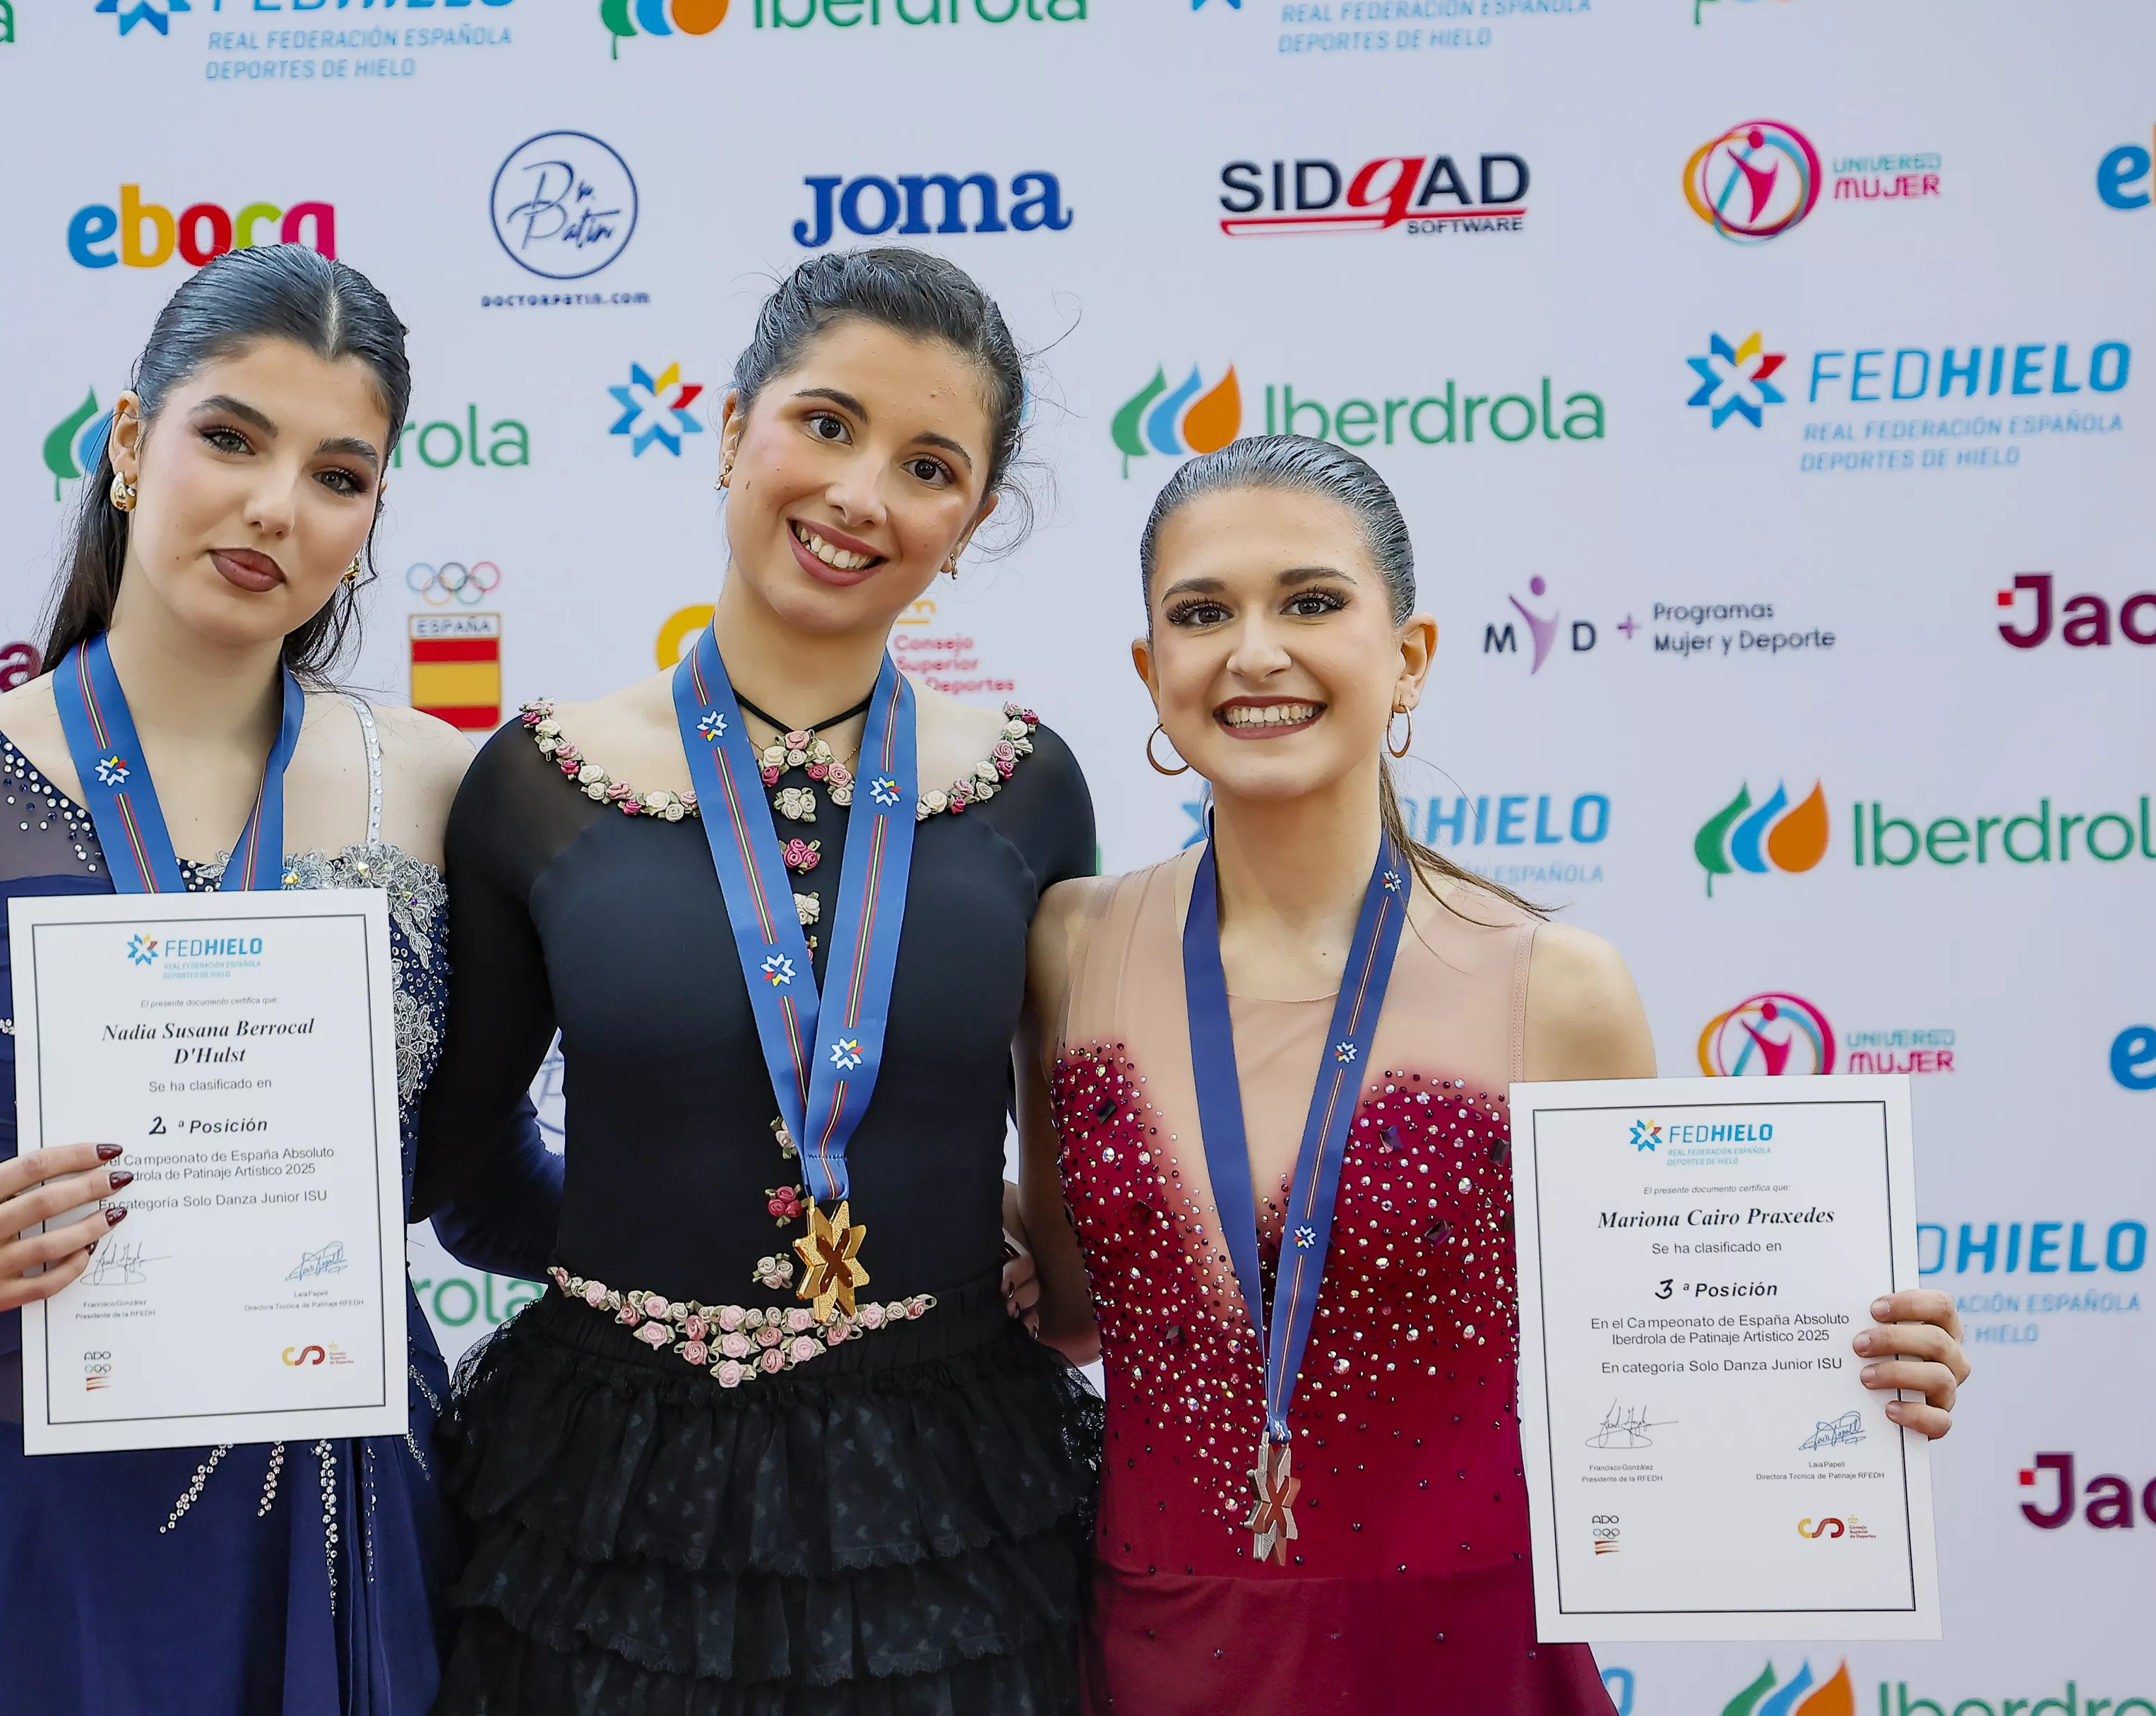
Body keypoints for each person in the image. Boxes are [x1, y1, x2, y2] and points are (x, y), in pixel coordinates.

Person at [1010, 435, 1972, 1715]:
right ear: (1150, 669)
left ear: (1409, 656)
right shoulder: (1072, 946)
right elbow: (1073, 1315)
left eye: (1311, 600)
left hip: (1469, 1653)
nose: (1254, 651)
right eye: (1202, 613)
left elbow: (1668, 1358)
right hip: (1157, 1649)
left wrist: (1856, 1365)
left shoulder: (1557, 987)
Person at [0, 244, 544, 1716]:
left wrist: (770, 1232)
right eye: (229, 437)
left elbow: (487, 1198)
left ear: (367, 521)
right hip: (47, 1542)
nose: (273, 506)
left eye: (338, 475)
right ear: (127, 443)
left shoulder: (441, 785)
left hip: (357, 1520)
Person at [410, 247, 1102, 1714]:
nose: (860, 495)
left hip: (951, 1489)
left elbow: (1069, 1218)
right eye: (826, 424)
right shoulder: (539, 785)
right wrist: (647, 1275)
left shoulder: (1027, 791)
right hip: (610, 1485)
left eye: (928, 464)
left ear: (968, 521)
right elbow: (458, 1177)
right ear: (732, 430)